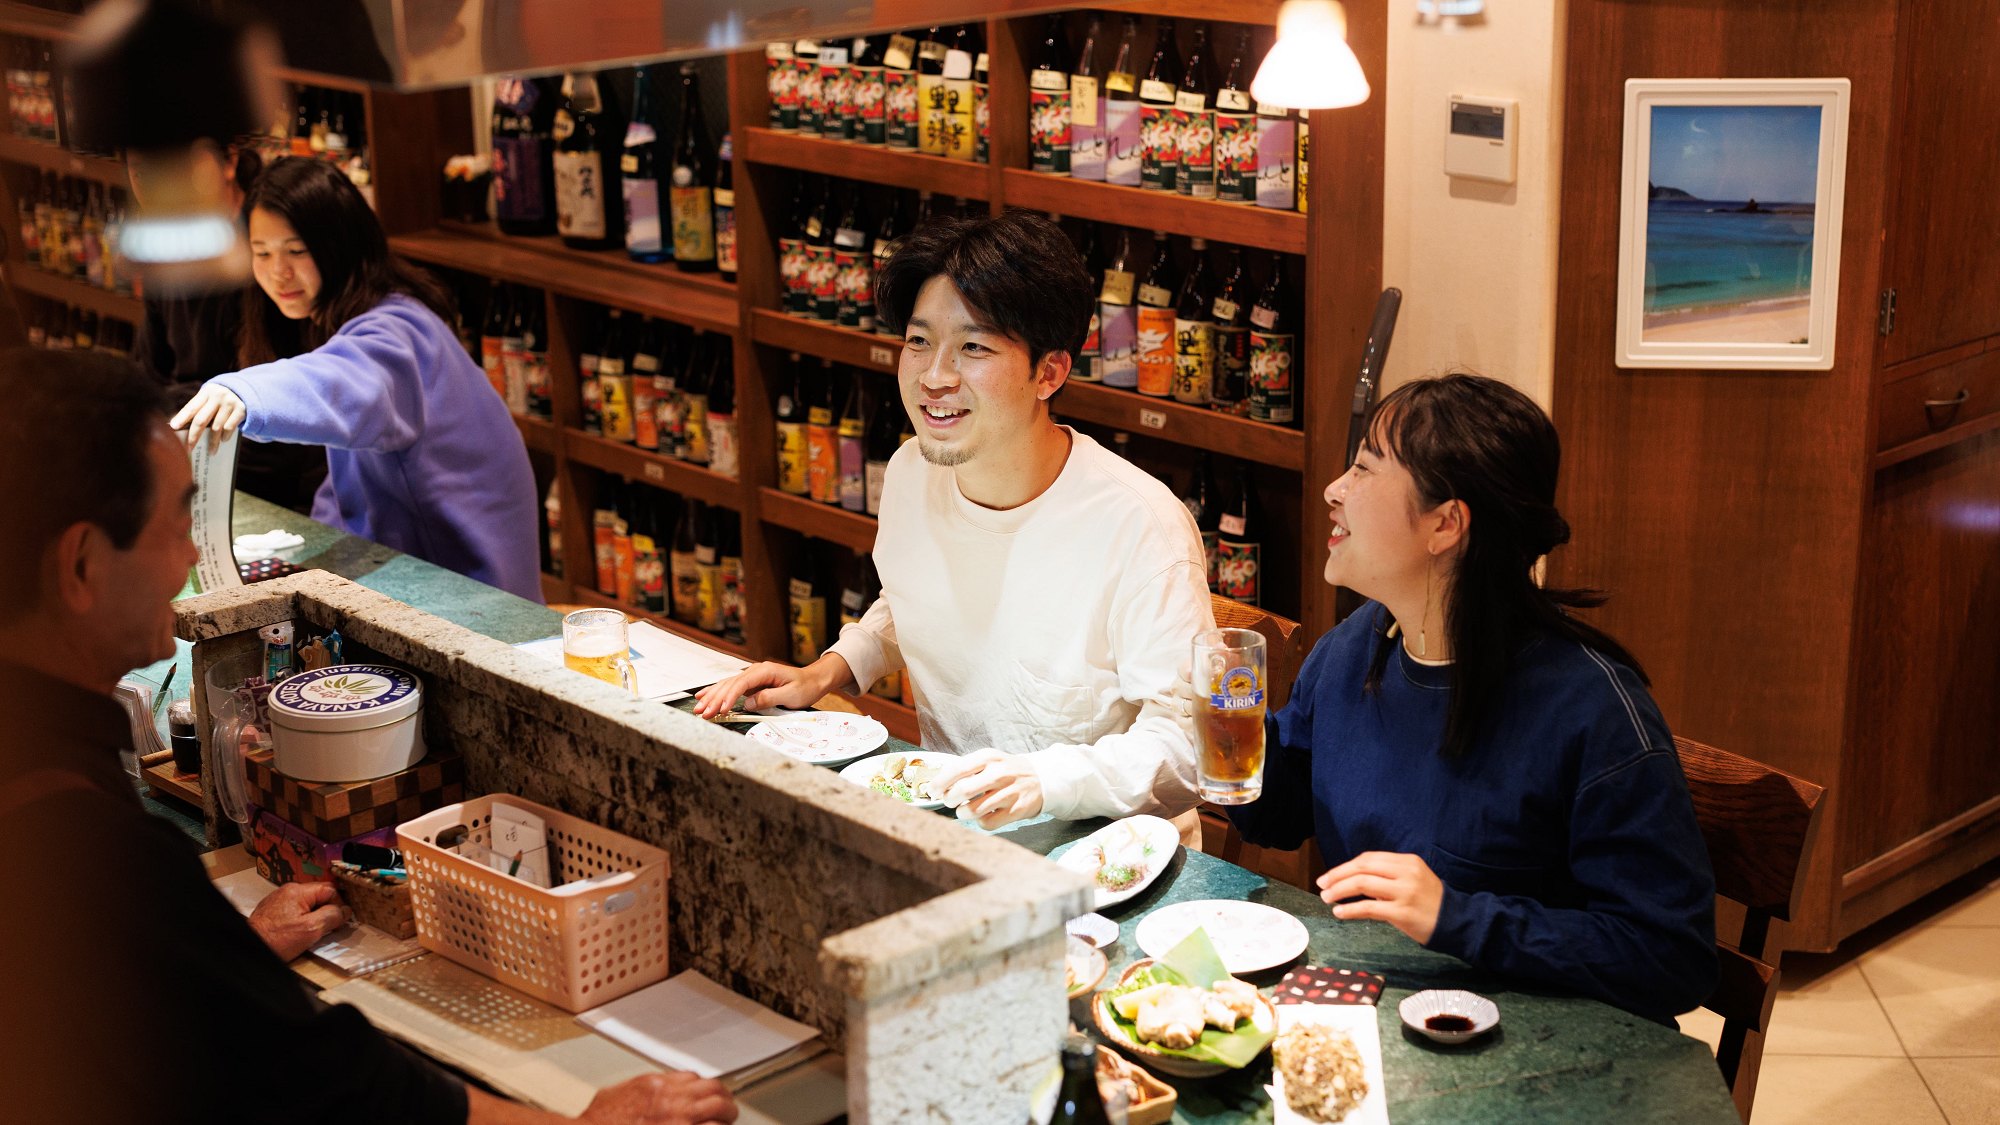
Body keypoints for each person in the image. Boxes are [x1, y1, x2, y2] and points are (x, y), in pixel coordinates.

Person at [0, 349, 736, 1125]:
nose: (191, 553)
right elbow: (333, 1085)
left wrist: (222, 957)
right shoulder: (86, 846)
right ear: (81, 564)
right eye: (177, 521)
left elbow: (129, 991)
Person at [697, 212, 1214, 835]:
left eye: (973, 347)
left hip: (1108, 858)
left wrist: (1048, 782)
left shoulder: (1140, 528)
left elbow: (1189, 745)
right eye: (919, 342)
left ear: (1048, 373)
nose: (934, 377)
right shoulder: (915, 471)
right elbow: (917, 596)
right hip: (951, 822)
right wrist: (831, 669)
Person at [1227, 373, 1717, 1024]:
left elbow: (1672, 956)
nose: (1333, 490)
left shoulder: (1591, 709)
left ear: (1446, 523)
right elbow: (1280, 814)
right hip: (1389, 1025)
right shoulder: (1354, 648)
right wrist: (1225, 732)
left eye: (1365, 468)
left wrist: (1455, 916)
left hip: (1547, 1059)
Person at [168, 156, 540, 601]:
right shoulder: (371, 314)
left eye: (297, 251)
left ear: (338, 244)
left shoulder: (397, 331)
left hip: (474, 594)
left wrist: (243, 391)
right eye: (262, 253)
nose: (277, 271)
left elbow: (341, 381)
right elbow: (346, 484)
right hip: (428, 576)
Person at [133, 141, 329, 512]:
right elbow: (149, 378)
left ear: (228, 162)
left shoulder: (274, 268)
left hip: (282, 489)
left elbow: (298, 433)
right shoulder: (166, 250)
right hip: (200, 466)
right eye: (144, 174)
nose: (163, 190)